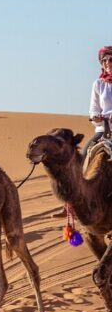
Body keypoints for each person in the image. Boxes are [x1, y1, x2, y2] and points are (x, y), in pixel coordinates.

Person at [52, 45, 112, 218]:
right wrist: (95, 116)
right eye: (104, 60)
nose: (107, 63)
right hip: (103, 131)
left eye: (110, 59)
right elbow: (94, 107)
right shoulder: (98, 84)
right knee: (80, 159)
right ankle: (70, 204)